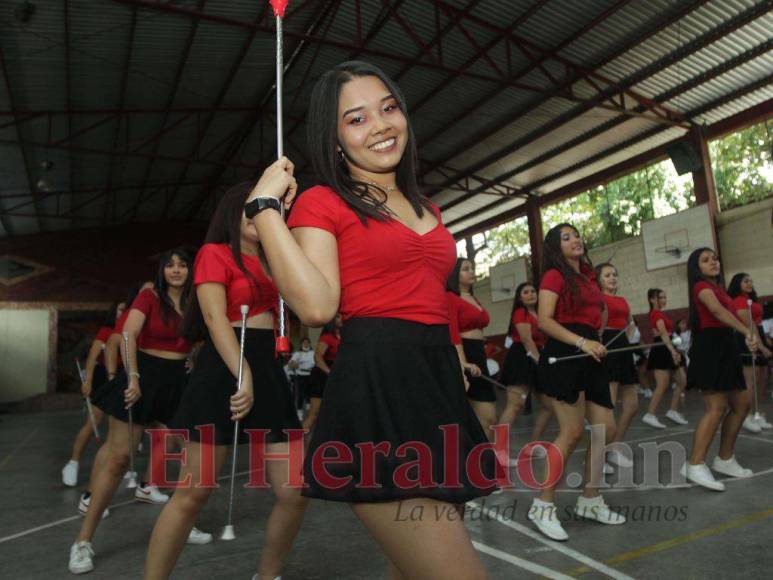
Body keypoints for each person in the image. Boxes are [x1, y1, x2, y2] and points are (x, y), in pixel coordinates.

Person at [246, 60, 496, 578]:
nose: (381, 124)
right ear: (334, 139)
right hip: (379, 389)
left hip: (437, 385)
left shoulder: (428, 205)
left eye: (388, 108)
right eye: (356, 118)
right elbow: (316, 307)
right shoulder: (323, 201)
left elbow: (432, 299)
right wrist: (267, 210)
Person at [144, 184, 307, 580]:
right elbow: (215, 319)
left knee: (295, 491)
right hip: (223, 368)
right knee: (193, 492)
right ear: (232, 214)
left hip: (268, 370)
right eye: (250, 210)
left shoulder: (276, 260)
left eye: (265, 209)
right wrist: (242, 372)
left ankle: (267, 575)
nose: (257, 217)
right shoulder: (213, 254)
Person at [69, 250, 207, 575]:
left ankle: (183, 524)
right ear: (162, 270)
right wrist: (132, 375)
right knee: (118, 458)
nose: (176, 270)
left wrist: (194, 356)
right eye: (170, 264)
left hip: (179, 382)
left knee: (191, 459)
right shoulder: (150, 296)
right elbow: (128, 333)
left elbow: (206, 333)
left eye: (183, 264)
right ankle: (83, 541)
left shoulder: (196, 301)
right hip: (145, 375)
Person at [530, 223, 625, 542]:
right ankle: (542, 506)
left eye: (577, 235)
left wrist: (597, 336)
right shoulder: (553, 276)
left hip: (591, 356)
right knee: (570, 432)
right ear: (555, 248)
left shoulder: (587, 277)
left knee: (606, 430)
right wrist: (582, 342)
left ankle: (591, 500)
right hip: (564, 354)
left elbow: (599, 313)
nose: (576, 240)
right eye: (566, 237)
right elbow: (544, 320)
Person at [681, 248, 758, 491]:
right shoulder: (700, 287)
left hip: (726, 346)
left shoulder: (718, 288)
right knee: (716, 408)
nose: (713, 262)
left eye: (714, 258)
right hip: (710, 348)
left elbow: (730, 316)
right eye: (706, 260)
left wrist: (749, 336)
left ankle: (725, 459)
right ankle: (694, 463)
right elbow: (716, 312)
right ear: (697, 267)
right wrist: (746, 331)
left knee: (742, 403)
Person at [62, 302, 125, 487]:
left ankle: (114, 469)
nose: (124, 312)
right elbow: (91, 358)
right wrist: (88, 381)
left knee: (117, 428)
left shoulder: (131, 330)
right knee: (93, 423)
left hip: (120, 377)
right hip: (102, 378)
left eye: (126, 309)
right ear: (114, 312)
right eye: (121, 309)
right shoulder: (107, 331)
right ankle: (72, 463)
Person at [497, 282, 553, 462]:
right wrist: (541, 363)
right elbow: (527, 341)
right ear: (520, 298)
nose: (531, 294)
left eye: (533, 291)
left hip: (537, 356)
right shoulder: (520, 313)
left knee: (548, 405)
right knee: (514, 406)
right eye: (526, 292)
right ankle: (499, 452)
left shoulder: (540, 314)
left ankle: (533, 445)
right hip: (521, 357)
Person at [596, 263, 639, 469]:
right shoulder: (598, 300)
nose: (612, 278)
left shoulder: (622, 300)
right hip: (607, 347)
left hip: (623, 347)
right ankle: (598, 456)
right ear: (599, 280)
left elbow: (631, 323)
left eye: (614, 274)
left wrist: (628, 340)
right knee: (609, 405)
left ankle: (613, 448)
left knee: (632, 405)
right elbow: (597, 328)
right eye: (607, 275)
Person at [446, 258, 494, 438]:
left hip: (479, 352)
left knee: (487, 418)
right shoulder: (451, 297)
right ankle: (481, 460)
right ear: (454, 275)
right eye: (466, 269)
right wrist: (463, 362)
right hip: (467, 354)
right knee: (486, 416)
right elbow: (453, 332)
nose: (472, 272)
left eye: (472, 268)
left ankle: (487, 459)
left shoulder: (472, 297)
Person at [727, 272, 773, 431]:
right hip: (746, 338)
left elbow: (758, 324)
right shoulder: (739, 301)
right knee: (750, 382)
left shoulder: (750, 300)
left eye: (751, 281)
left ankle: (756, 414)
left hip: (758, 335)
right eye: (745, 281)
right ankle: (745, 417)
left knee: (761, 379)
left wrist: (764, 340)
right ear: (737, 283)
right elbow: (749, 324)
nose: (749, 283)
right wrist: (760, 346)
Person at [642, 288, 688, 428]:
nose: (663, 300)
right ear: (652, 299)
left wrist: (673, 350)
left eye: (664, 297)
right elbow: (663, 334)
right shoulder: (655, 314)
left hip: (668, 347)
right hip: (662, 349)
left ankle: (673, 411)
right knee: (662, 385)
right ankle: (650, 414)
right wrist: (672, 352)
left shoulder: (660, 313)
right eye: (660, 297)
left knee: (682, 381)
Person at [304, 314, 342, 431]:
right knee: (314, 414)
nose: (342, 319)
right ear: (332, 321)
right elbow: (318, 357)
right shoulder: (327, 337)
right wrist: (330, 373)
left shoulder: (347, 336)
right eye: (338, 317)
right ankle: (299, 442)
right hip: (322, 375)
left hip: (339, 375)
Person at [286, 336, 315, 415]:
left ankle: (309, 405)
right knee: (300, 393)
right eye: (304, 342)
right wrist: (294, 364)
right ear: (301, 344)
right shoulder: (298, 353)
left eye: (307, 342)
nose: (306, 344)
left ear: (309, 343)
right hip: (300, 375)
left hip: (311, 374)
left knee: (310, 391)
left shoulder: (313, 353)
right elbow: (290, 364)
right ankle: (299, 410)